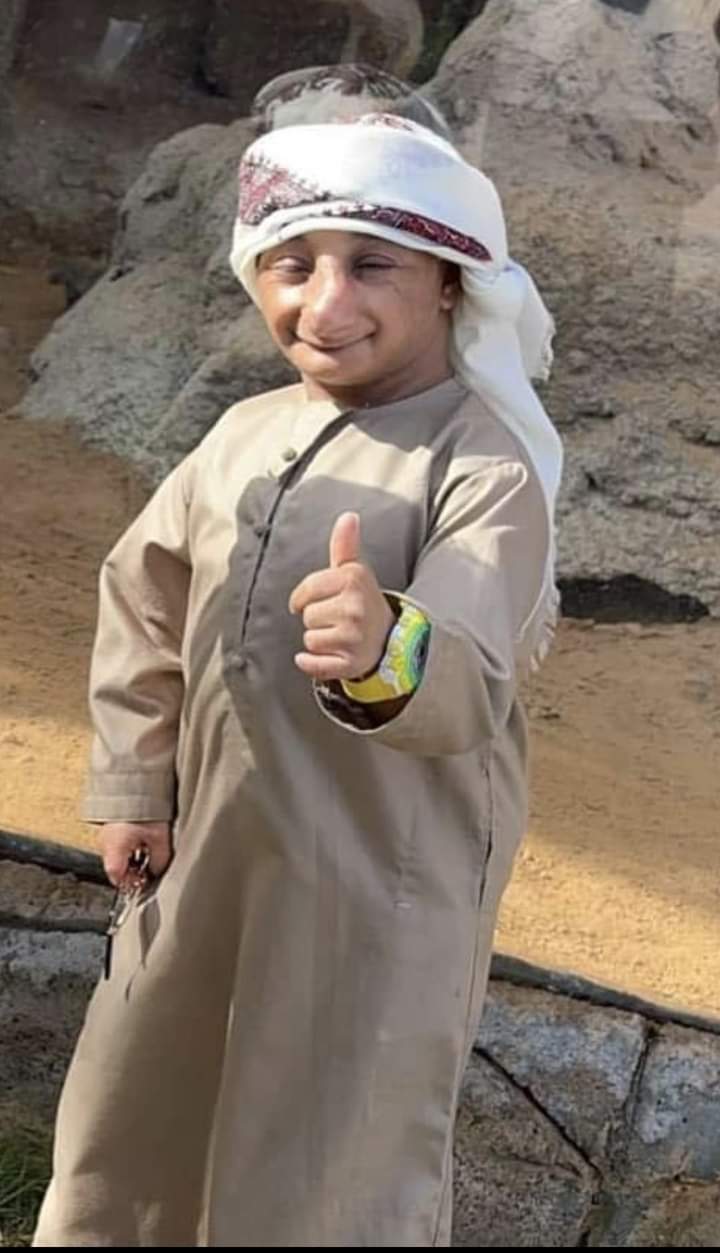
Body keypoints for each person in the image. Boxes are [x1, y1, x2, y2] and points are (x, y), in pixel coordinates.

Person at [33, 110, 562, 1247]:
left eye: (370, 265)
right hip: (204, 851)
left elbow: (471, 664)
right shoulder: (240, 432)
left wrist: (383, 644)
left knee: (327, 1160)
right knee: (135, 1120)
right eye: (293, 265)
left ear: (451, 285)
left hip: (376, 881)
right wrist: (134, 783)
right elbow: (144, 597)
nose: (324, 304)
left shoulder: (483, 464)